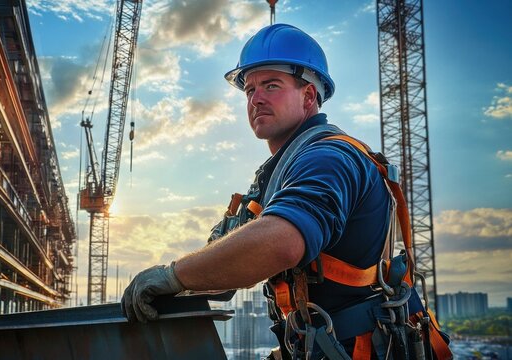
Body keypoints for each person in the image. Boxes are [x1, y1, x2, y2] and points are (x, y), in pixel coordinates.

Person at [122, 24, 451, 360]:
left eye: (271, 85)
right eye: (249, 90)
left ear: (309, 96)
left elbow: (282, 242)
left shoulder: (328, 157)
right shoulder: (280, 171)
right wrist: (180, 282)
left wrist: (173, 275)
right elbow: (231, 272)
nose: (256, 98)